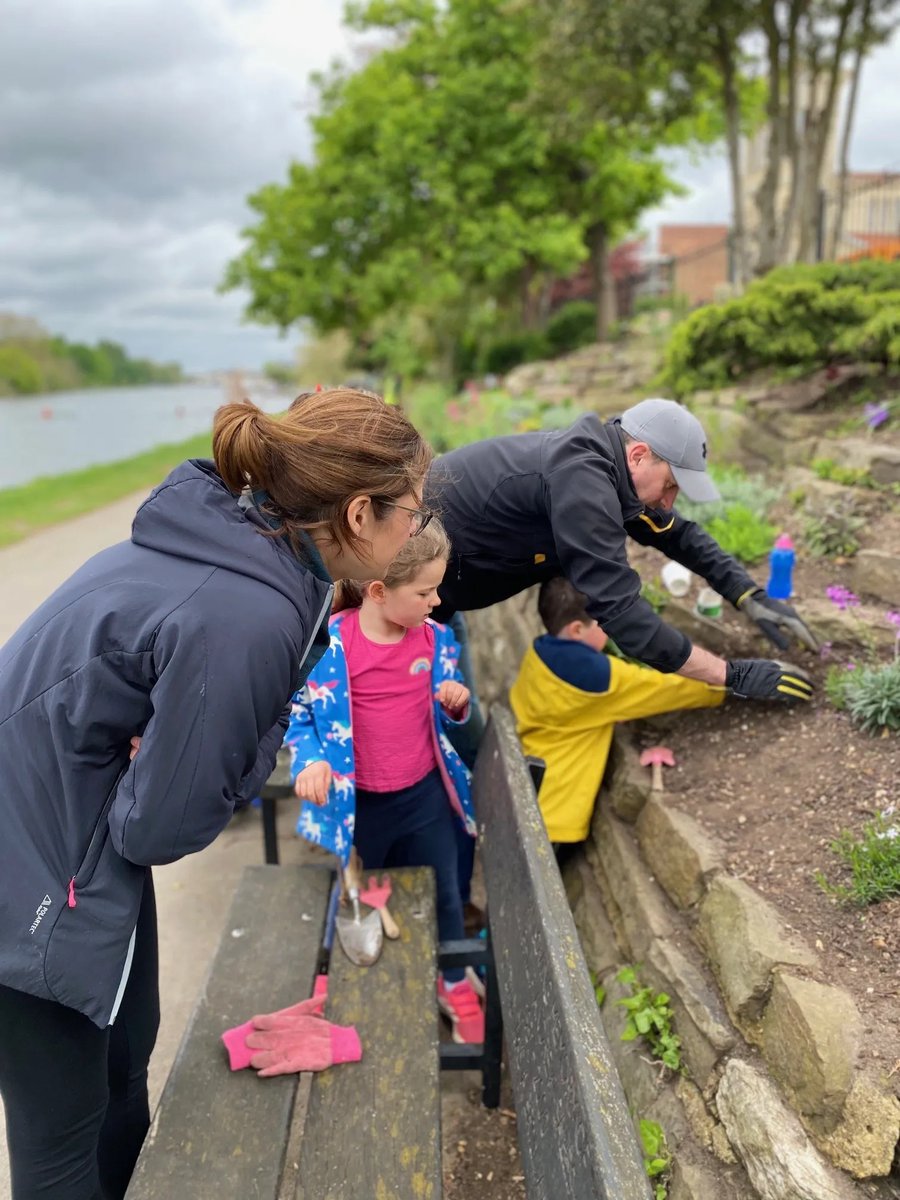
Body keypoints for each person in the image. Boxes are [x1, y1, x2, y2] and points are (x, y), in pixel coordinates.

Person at [0, 387, 431, 1200]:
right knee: (60, 1129)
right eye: (414, 510)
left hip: (78, 836)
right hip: (33, 862)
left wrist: (173, 756)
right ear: (359, 513)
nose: (419, 528)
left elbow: (167, 785)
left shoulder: (250, 549)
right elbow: (160, 828)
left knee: (125, 1064)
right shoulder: (248, 611)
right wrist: (243, 734)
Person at [427, 397, 816, 705]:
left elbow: (678, 535)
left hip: (440, 602)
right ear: (639, 455)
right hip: (407, 606)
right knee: (442, 727)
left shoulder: (606, 467)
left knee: (459, 721)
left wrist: (748, 594)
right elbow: (623, 615)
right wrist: (730, 676)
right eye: (671, 485)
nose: (669, 502)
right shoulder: (583, 485)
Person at [287, 522, 484, 1044]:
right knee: (355, 893)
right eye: (424, 592)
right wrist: (310, 761)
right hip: (361, 807)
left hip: (424, 798)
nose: (436, 602)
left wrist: (456, 704)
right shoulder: (333, 644)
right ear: (378, 590)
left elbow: (446, 715)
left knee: (445, 892)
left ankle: (452, 980)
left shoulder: (435, 640)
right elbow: (299, 713)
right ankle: (341, 978)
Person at [511, 577, 727, 852]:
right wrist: (728, 677)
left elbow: (580, 709)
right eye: (603, 621)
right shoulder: (597, 677)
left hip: (530, 798)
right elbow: (668, 689)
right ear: (577, 629)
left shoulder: (540, 651)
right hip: (554, 821)